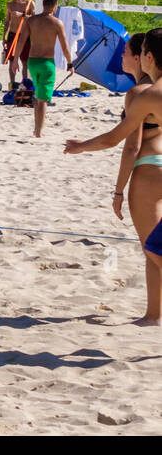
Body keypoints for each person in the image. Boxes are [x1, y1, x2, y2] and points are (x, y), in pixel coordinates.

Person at [87, 30, 161, 325]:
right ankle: (153, 314)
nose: (125, 56)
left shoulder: (142, 94)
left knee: (153, 248)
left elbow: (127, 144)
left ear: (148, 57)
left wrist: (118, 192)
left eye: (136, 51)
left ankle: (154, 314)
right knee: (154, 246)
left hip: (149, 168)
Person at [14, 0, 73, 138]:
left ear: (43, 4)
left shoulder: (31, 20)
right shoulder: (57, 23)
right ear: (54, 7)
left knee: (38, 95)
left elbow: (21, 41)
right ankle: (39, 132)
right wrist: (70, 63)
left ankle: (36, 129)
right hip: (47, 63)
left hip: (32, 62)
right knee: (43, 100)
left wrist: (15, 60)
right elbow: (65, 47)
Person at [2, 0, 35, 89]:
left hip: (24, 35)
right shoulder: (10, 5)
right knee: (12, 60)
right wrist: (4, 37)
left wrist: (22, 15)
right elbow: (7, 21)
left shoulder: (29, 3)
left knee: (24, 61)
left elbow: (34, 19)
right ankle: (12, 84)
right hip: (12, 33)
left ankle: (24, 84)